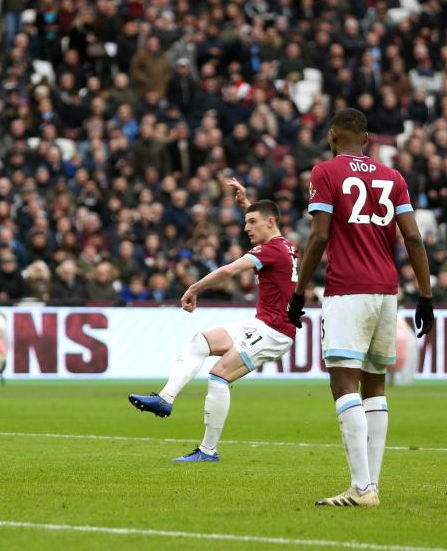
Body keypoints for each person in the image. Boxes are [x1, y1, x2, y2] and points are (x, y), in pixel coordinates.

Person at [289, 108, 434, 507]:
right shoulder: (394, 177)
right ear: (367, 138)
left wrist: (299, 292)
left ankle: (361, 487)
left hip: (347, 291)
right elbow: (415, 239)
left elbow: (319, 237)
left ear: (333, 134)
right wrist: (425, 295)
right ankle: (371, 486)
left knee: (342, 384)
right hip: (388, 292)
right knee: (375, 386)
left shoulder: (325, 172)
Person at [129, 180, 299, 462]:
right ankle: (165, 399)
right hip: (261, 323)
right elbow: (266, 219)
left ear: (269, 223)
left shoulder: (271, 251)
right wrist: (246, 204)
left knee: (218, 376)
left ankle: (208, 451)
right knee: (200, 342)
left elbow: (229, 270)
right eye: (246, 222)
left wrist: (193, 288)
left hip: (274, 331)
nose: (246, 228)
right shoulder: (284, 244)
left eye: (251, 223)